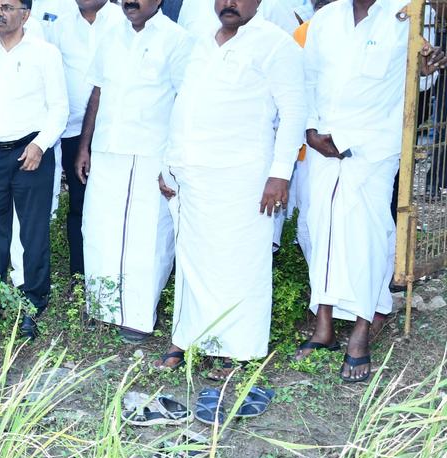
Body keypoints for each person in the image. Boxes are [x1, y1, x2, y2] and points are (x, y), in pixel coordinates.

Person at [295, 0, 447, 382]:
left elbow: (422, 78)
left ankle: (362, 329)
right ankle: (324, 325)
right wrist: (311, 131)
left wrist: (429, 68)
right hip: (323, 144)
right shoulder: (326, 19)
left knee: (367, 234)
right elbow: (309, 80)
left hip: (375, 146)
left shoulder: (411, 12)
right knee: (321, 230)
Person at [157, 0, 305, 377]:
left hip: (244, 176)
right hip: (193, 173)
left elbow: (293, 112)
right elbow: (185, 106)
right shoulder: (202, 42)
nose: (229, 3)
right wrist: (169, 164)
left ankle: (236, 351)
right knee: (193, 259)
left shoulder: (276, 43)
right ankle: (189, 338)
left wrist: (280, 174)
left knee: (239, 263)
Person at [75, 0, 191, 344]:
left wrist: (173, 161)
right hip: (107, 150)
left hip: (150, 153)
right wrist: (84, 145)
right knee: (98, 230)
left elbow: (186, 102)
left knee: (146, 237)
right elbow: (97, 91)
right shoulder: (111, 34)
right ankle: (102, 308)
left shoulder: (177, 39)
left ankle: (138, 317)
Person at [0, 0, 69, 339]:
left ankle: (32, 303)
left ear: (25, 12)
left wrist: (40, 145)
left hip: (31, 153)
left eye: (6, 7)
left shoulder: (45, 54)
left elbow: (59, 107)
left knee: (32, 232)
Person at [44, 0, 120, 282]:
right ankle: (81, 274)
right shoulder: (61, 26)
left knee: (113, 203)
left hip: (116, 130)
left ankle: (112, 270)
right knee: (80, 202)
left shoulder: (123, 21)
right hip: (74, 130)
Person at [288, 0, 335, 264]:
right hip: (312, 143)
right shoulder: (305, 32)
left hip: (352, 142)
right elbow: (299, 89)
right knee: (311, 216)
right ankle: (320, 289)